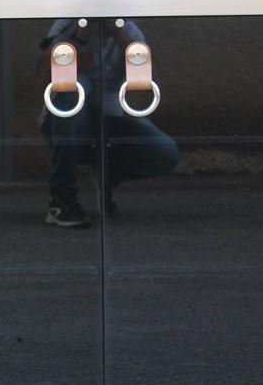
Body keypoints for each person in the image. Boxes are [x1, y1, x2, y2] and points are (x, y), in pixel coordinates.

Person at [39, 17, 179, 228]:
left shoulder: (129, 31)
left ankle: (105, 177)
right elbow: (42, 78)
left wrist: (119, 34)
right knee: (75, 89)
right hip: (68, 124)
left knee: (165, 151)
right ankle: (61, 196)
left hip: (112, 121)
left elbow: (152, 82)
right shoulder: (67, 27)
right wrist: (79, 39)